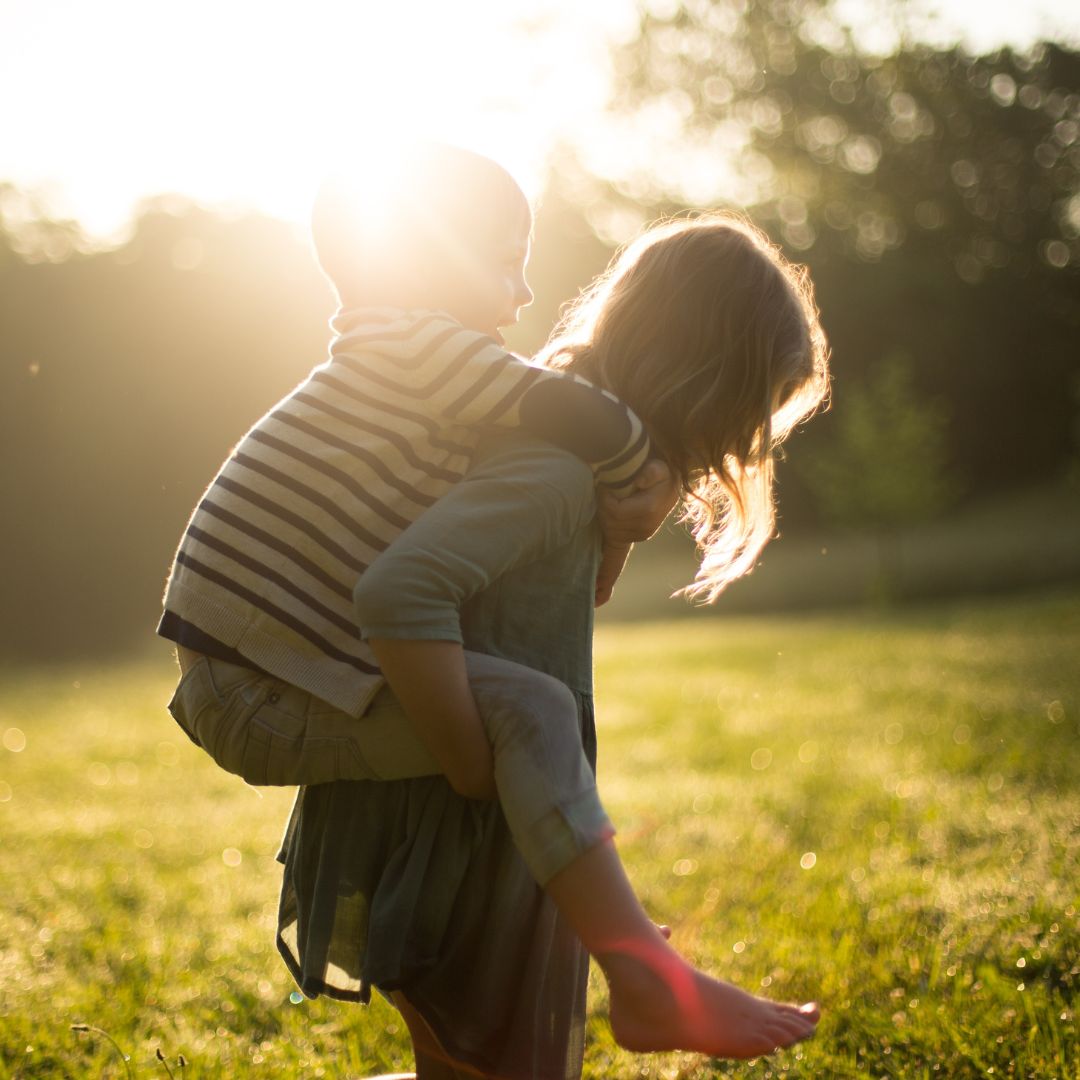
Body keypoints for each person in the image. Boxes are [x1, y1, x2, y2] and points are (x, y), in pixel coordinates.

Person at [277, 212, 831, 1078]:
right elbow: (400, 590)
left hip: (488, 808)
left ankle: (645, 979)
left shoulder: (574, 461)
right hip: (455, 818)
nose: (745, 440)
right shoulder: (555, 471)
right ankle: (651, 984)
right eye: (751, 409)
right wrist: (468, 764)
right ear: (703, 381)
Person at [157, 143, 667, 804]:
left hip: (244, 676)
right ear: (432, 262)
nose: (527, 291)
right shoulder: (425, 349)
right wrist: (640, 492)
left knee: (525, 710)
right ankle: (506, 820)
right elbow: (585, 416)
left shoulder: (398, 358)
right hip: (255, 690)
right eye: (510, 263)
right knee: (534, 716)